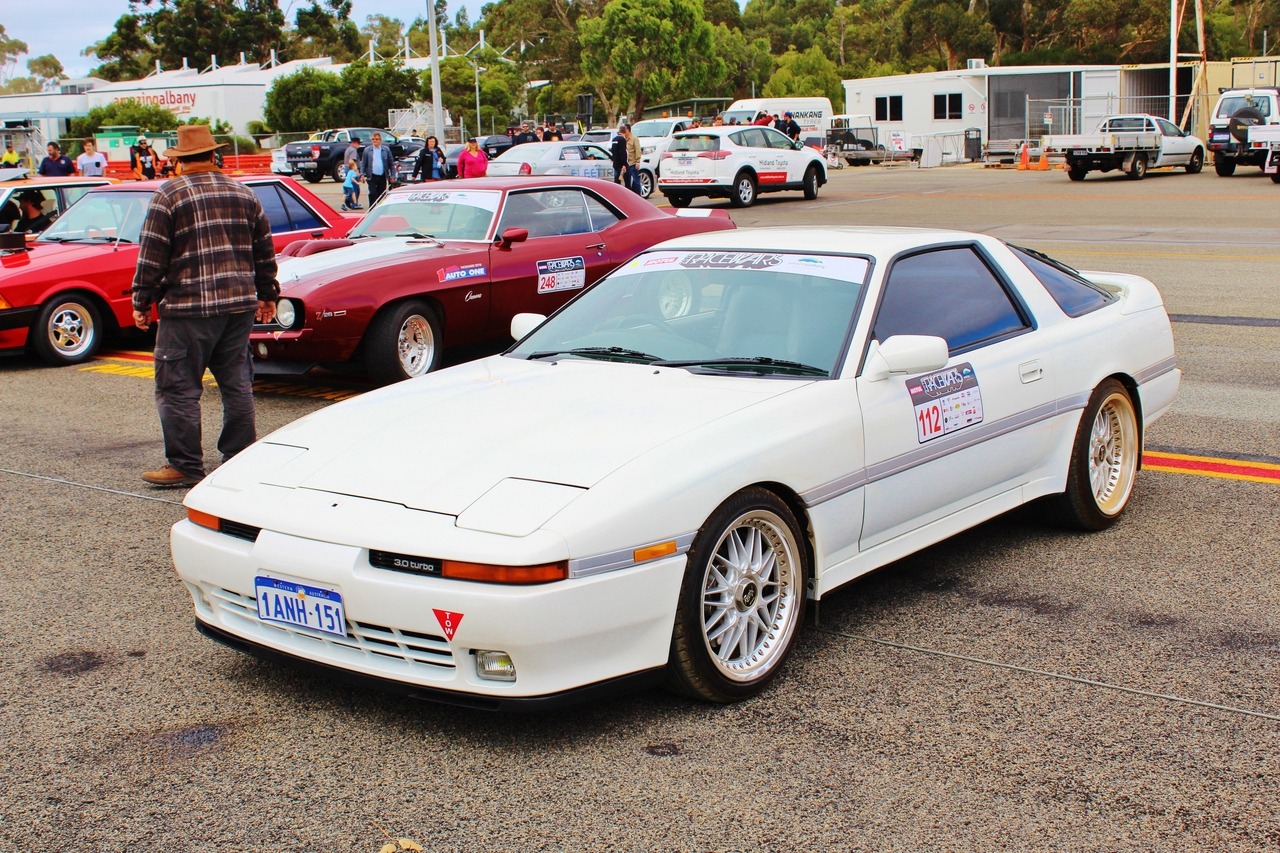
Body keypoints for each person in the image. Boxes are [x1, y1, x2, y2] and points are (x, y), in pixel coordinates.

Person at [131, 124, 278, 487]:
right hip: (238, 305)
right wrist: (268, 294)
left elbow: (152, 256)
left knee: (178, 388)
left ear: (179, 161)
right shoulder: (243, 193)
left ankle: (185, 465)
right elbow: (264, 250)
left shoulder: (169, 195)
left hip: (188, 308)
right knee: (236, 383)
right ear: (214, 156)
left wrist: (141, 300)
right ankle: (239, 456)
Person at [360, 131, 395, 206]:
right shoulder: (367, 150)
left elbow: (391, 164)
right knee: (373, 193)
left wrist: (392, 175)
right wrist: (362, 174)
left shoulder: (386, 150)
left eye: (376, 139)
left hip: (382, 175)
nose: (374, 141)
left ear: (380, 140)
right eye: (373, 139)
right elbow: (363, 163)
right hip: (371, 176)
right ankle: (371, 209)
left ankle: (380, 209)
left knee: (381, 194)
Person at [342, 137, 362, 209]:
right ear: (354, 143)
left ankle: (348, 199)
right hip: (352, 170)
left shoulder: (348, 149)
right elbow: (351, 161)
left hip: (347, 169)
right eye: (358, 143)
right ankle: (353, 203)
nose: (359, 145)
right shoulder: (353, 150)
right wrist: (356, 171)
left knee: (350, 186)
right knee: (355, 188)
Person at [624, 122, 642, 195]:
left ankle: (638, 196)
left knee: (636, 180)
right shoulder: (623, 139)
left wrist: (638, 161)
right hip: (626, 163)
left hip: (632, 163)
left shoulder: (634, 138)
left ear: (628, 130)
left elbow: (638, 150)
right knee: (627, 181)